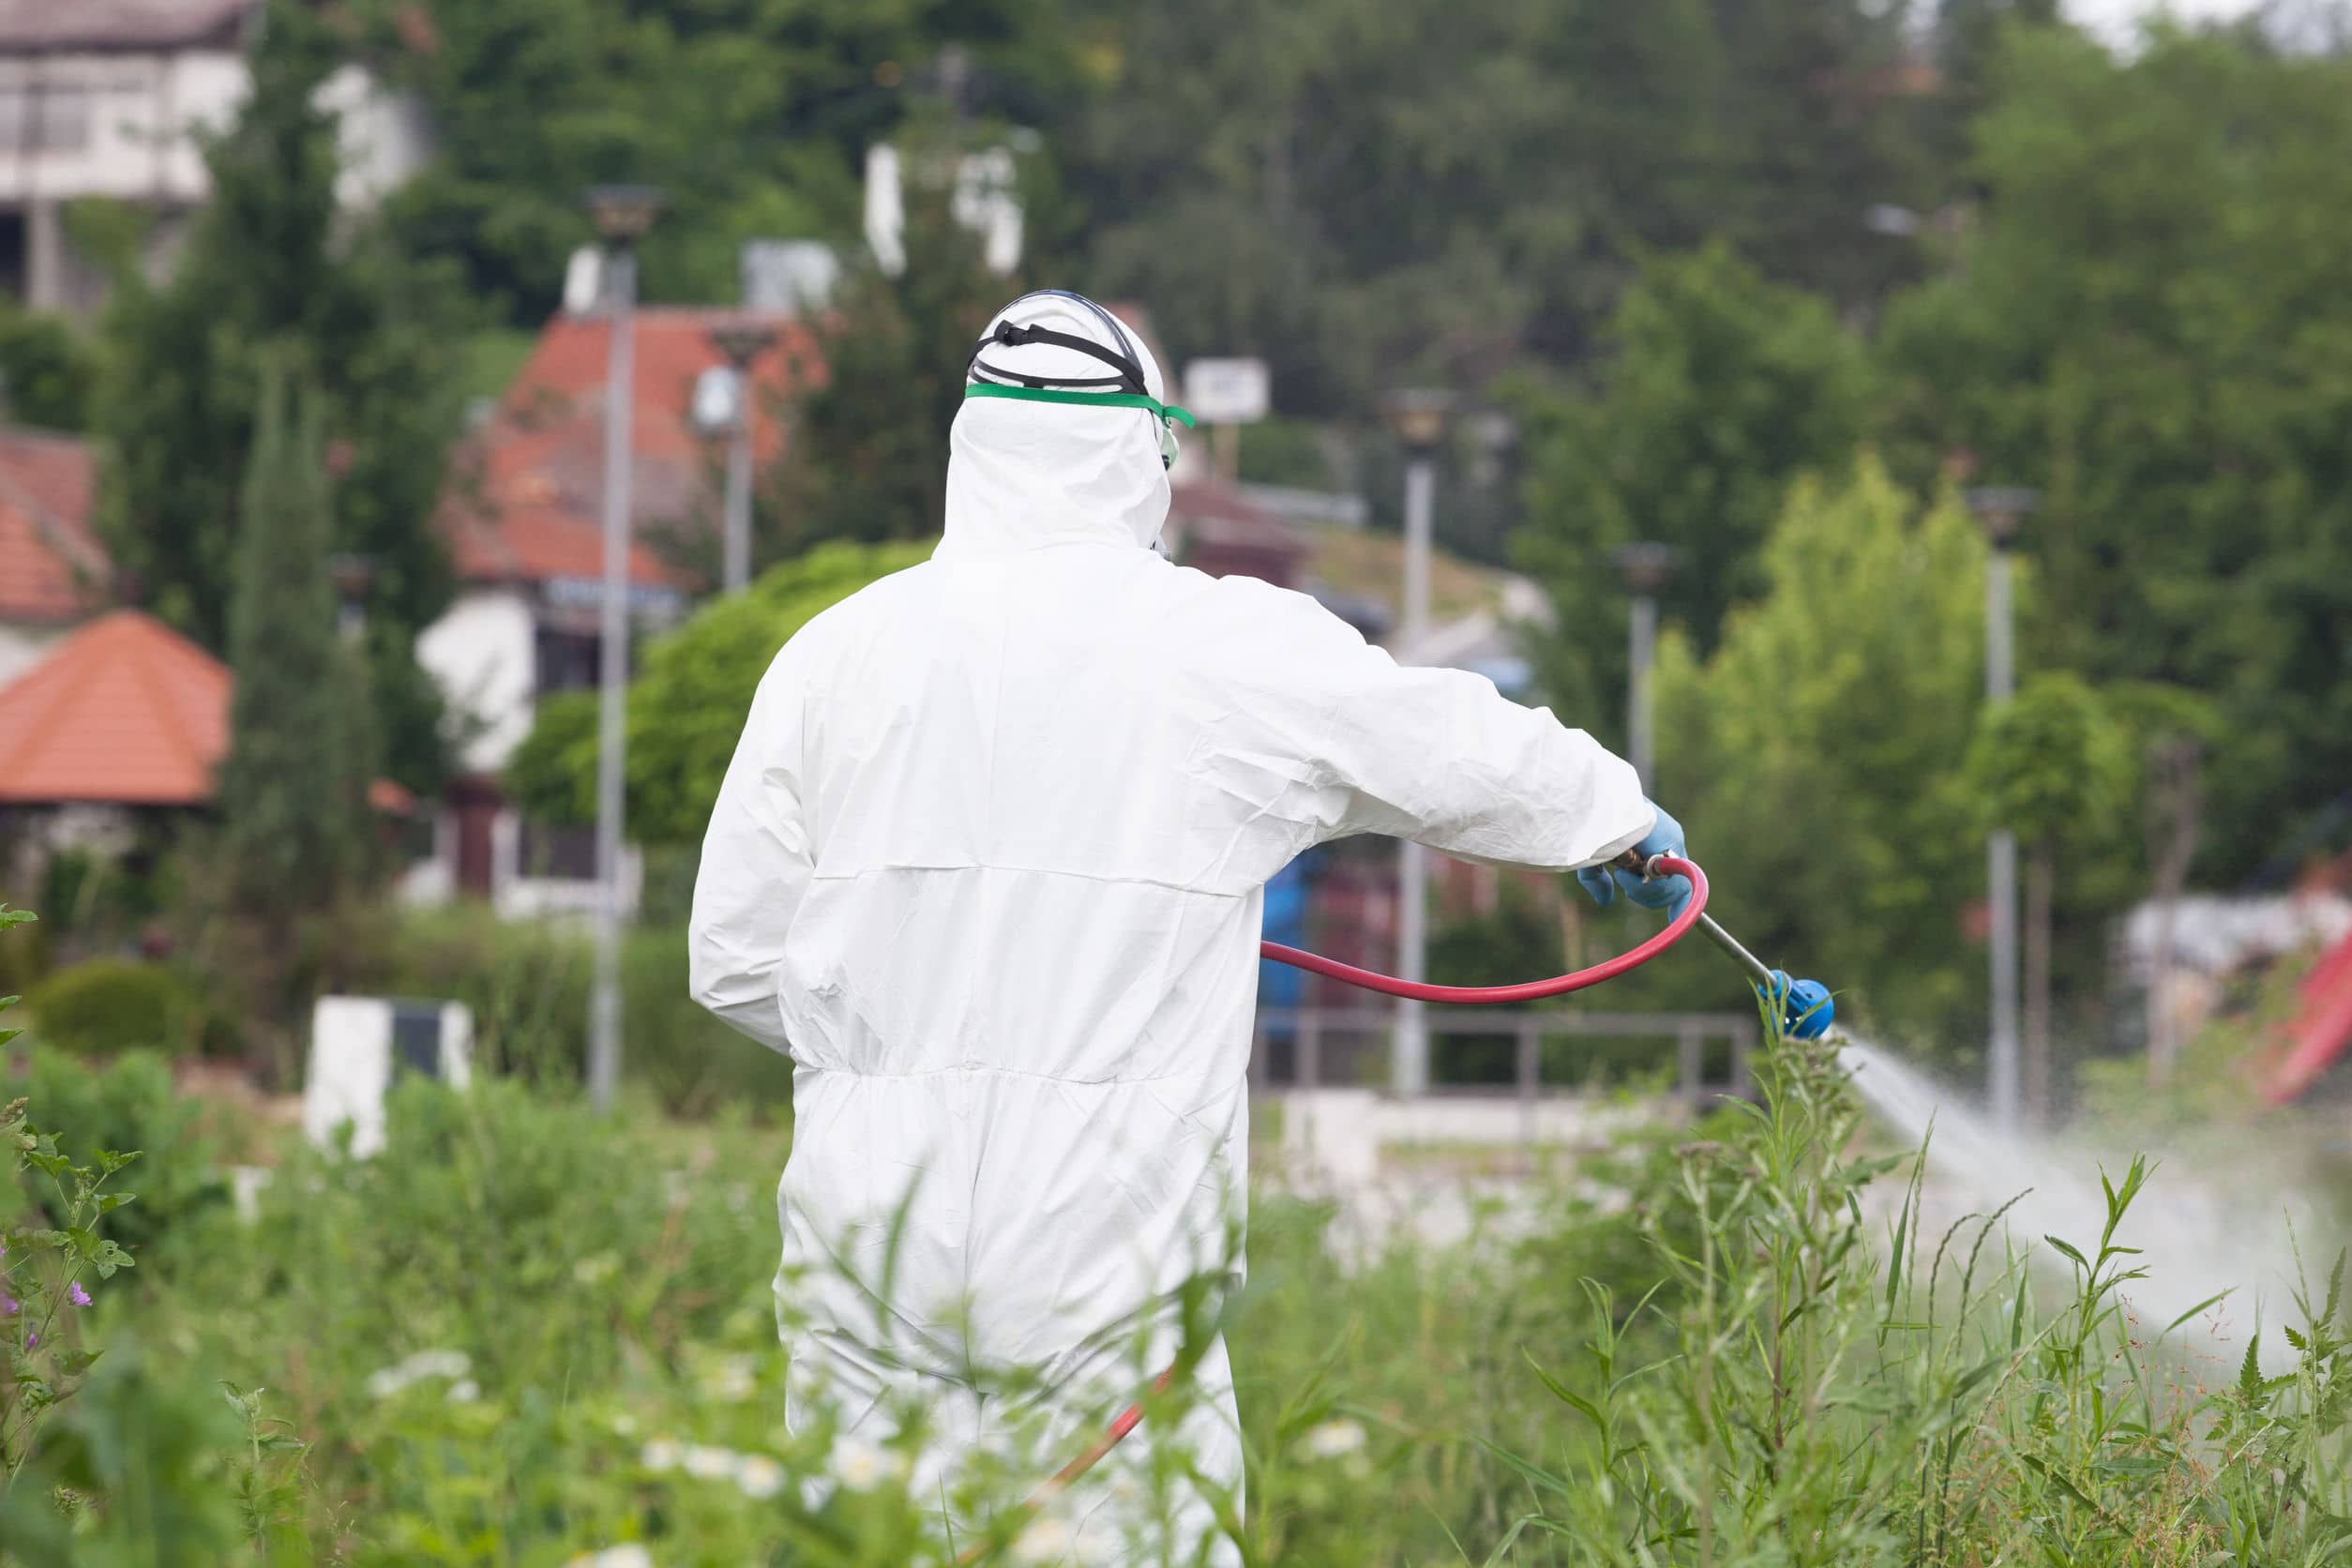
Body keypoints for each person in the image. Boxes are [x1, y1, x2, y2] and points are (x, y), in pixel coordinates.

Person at [687, 289, 1686, 1560]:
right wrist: (1614, 820)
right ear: (1138, 455)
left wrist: (899, 1021)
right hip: (1101, 1285)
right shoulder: (1216, 648)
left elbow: (731, 955)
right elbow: (1446, 743)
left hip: (868, 1274)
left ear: (971, 449)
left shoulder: (832, 658)